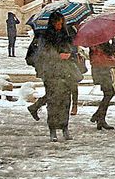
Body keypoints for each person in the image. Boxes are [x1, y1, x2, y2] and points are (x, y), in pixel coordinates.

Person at [35, 11, 81, 141]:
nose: (60, 26)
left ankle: (65, 127)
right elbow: (42, 54)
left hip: (66, 72)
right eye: (58, 23)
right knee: (53, 102)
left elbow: (71, 50)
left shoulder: (66, 35)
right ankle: (53, 129)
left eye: (62, 23)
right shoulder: (45, 36)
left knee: (65, 102)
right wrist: (57, 56)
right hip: (51, 73)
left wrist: (71, 55)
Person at [89, 38, 115, 130]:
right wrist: (114, 40)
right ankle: (98, 116)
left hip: (97, 69)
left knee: (108, 93)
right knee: (109, 93)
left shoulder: (93, 40)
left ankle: (100, 119)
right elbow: (110, 50)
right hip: (103, 69)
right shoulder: (101, 40)